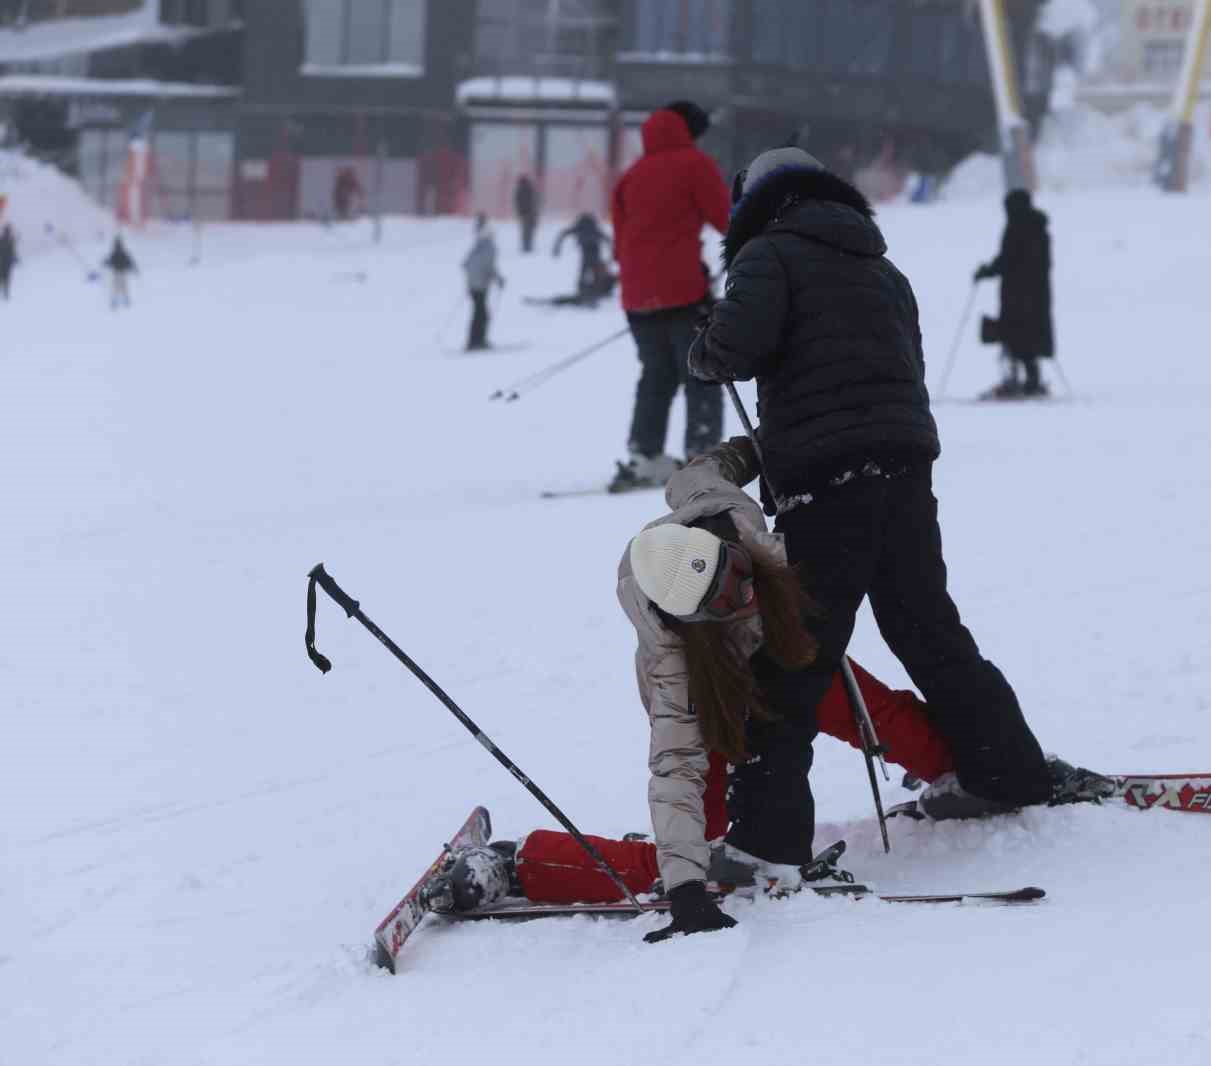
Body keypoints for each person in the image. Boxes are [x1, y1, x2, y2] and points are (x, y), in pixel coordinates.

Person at [687, 147, 1110, 884]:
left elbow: (734, 349)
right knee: (927, 627)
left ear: (752, 203)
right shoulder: (884, 269)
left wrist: (705, 343)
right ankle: (1008, 771)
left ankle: (765, 841)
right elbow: (898, 367)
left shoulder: (767, 255)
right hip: (906, 468)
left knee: (791, 653)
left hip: (824, 481)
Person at [420, 439, 1015, 941]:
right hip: (717, 691)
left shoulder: (724, 514)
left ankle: (964, 767)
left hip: (784, 649)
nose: (745, 600)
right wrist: (685, 891)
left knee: (865, 705)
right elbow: (674, 763)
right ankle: (524, 863)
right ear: (694, 620)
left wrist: (762, 446)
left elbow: (701, 471)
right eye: (728, 607)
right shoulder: (673, 654)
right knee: (708, 857)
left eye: (740, 582)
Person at [609, 100, 731, 492]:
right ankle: (703, 454)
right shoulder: (695, 164)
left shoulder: (630, 177)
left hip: (636, 298)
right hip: (684, 293)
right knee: (701, 371)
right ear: (690, 130)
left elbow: (620, 241)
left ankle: (644, 455)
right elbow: (728, 219)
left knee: (655, 375)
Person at [974, 189, 1054, 399]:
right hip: (1036, 295)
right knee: (1028, 338)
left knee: (1015, 336)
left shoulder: (1017, 227)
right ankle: (1029, 380)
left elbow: (1007, 260)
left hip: (1018, 296)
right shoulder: (1039, 229)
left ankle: (1017, 381)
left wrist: (987, 271)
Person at [461, 214, 504, 351]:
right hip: (479, 285)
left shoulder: (478, 245)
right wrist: (498, 279)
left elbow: (465, 264)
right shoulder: (489, 247)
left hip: (473, 284)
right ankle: (477, 341)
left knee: (479, 312)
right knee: (482, 314)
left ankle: (474, 340)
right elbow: (488, 267)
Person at [551, 212, 614, 305]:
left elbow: (564, 234)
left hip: (589, 255)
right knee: (591, 274)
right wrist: (613, 253)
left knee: (586, 273)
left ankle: (587, 293)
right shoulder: (594, 229)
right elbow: (607, 240)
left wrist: (557, 248)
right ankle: (591, 294)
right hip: (593, 255)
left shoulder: (580, 228)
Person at [104, 235, 137, 310]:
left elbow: (110, 261)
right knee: (122, 286)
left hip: (119, 272)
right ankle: (122, 300)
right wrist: (133, 268)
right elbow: (129, 262)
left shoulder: (117, 252)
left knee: (118, 287)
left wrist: (106, 262)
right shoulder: (121, 252)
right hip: (120, 272)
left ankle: (119, 300)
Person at [514, 174, 539, 254]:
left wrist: (519, 212)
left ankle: (526, 247)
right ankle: (528, 247)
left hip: (525, 214)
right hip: (530, 214)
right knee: (529, 231)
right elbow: (535, 201)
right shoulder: (531, 189)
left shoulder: (520, 190)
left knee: (526, 231)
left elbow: (517, 203)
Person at [0, 223, 16, 300]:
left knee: (3, 278)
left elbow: (12, 251)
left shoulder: (3, 239)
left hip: (3, 262)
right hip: (6, 263)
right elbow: (12, 251)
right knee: (6, 279)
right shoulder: (9, 240)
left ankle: (5, 294)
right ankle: (6, 294)